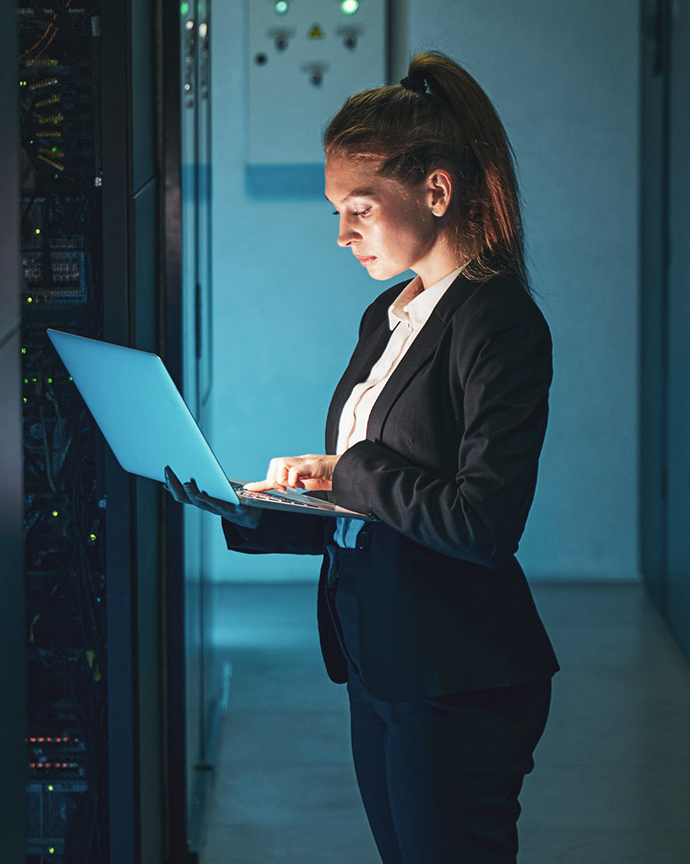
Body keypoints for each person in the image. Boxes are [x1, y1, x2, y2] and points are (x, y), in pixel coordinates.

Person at [165, 51, 559, 864]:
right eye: (335, 211)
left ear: (437, 191)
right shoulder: (390, 312)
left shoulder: (500, 325)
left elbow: (481, 522)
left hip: (456, 674)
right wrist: (253, 505)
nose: (341, 234)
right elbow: (377, 503)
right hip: (381, 653)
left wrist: (348, 469)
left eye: (360, 209)